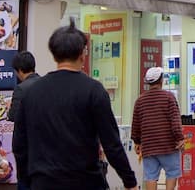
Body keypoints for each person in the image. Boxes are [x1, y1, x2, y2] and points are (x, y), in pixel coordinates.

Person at [14, 24, 137, 189]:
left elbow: (20, 145)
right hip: (85, 182)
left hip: (43, 182)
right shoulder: (94, 90)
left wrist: (26, 181)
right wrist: (130, 182)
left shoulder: (32, 93)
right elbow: (111, 144)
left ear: (54, 54)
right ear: (82, 54)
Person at [132, 67, 185, 190]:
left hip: (149, 145)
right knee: (172, 173)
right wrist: (180, 138)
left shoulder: (140, 100)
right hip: (168, 145)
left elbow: (136, 123)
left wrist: (137, 141)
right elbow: (175, 121)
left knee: (151, 176)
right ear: (161, 80)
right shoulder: (169, 97)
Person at [7, 51, 40, 123]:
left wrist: (9, 108)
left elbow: (14, 116)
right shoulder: (45, 83)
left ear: (19, 70)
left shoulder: (21, 89)